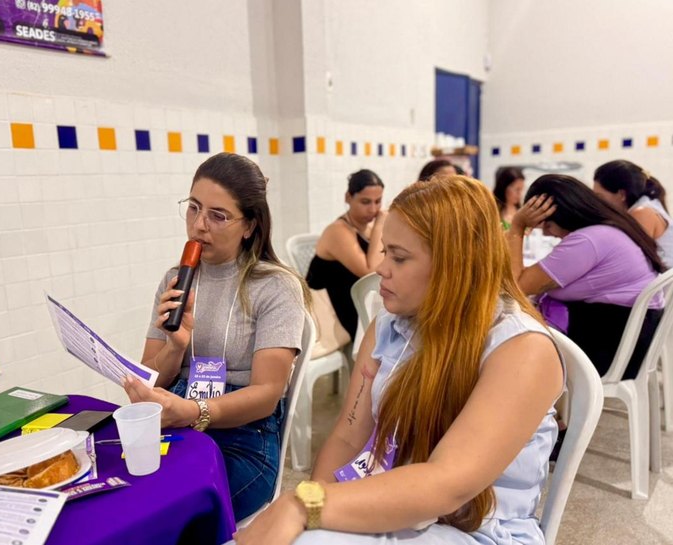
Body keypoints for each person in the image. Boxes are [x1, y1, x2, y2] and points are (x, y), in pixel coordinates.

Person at [234, 176, 563, 545]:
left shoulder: (522, 349)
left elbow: (446, 484)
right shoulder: (390, 326)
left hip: (479, 529)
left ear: (456, 264)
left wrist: (304, 505)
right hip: (394, 504)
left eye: (399, 257)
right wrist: (311, 513)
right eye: (385, 251)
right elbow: (347, 435)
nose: (381, 269)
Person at [123, 152, 308, 521]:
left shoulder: (275, 286)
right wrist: (175, 348)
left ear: (250, 226)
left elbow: (266, 396)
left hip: (245, 435)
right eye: (193, 208)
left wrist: (194, 412)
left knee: (172, 511)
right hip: (180, 412)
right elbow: (152, 375)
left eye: (218, 215)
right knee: (125, 495)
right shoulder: (176, 278)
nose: (199, 225)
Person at [507, 174, 665, 379]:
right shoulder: (607, 230)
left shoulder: (588, 240)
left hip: (608, 353)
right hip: (627, 346)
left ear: (565, 214)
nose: (546, 234)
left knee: (510, 341)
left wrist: (518, 227)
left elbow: (517, 288)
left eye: (547, 224)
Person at [306, 169, 385, 338]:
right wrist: (380, 226)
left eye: (378, 201)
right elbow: (370, 274)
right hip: (332, 315)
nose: (373, 209)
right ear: (348, 197)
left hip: (354, 304)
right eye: (365, 202)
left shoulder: (366, 229)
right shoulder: (338, 231)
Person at [593, 159, 673, 266]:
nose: (597, 202)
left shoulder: (642, 212)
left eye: (599, 196)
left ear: (621, 194)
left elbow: (630, 258)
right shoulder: (645, 205)